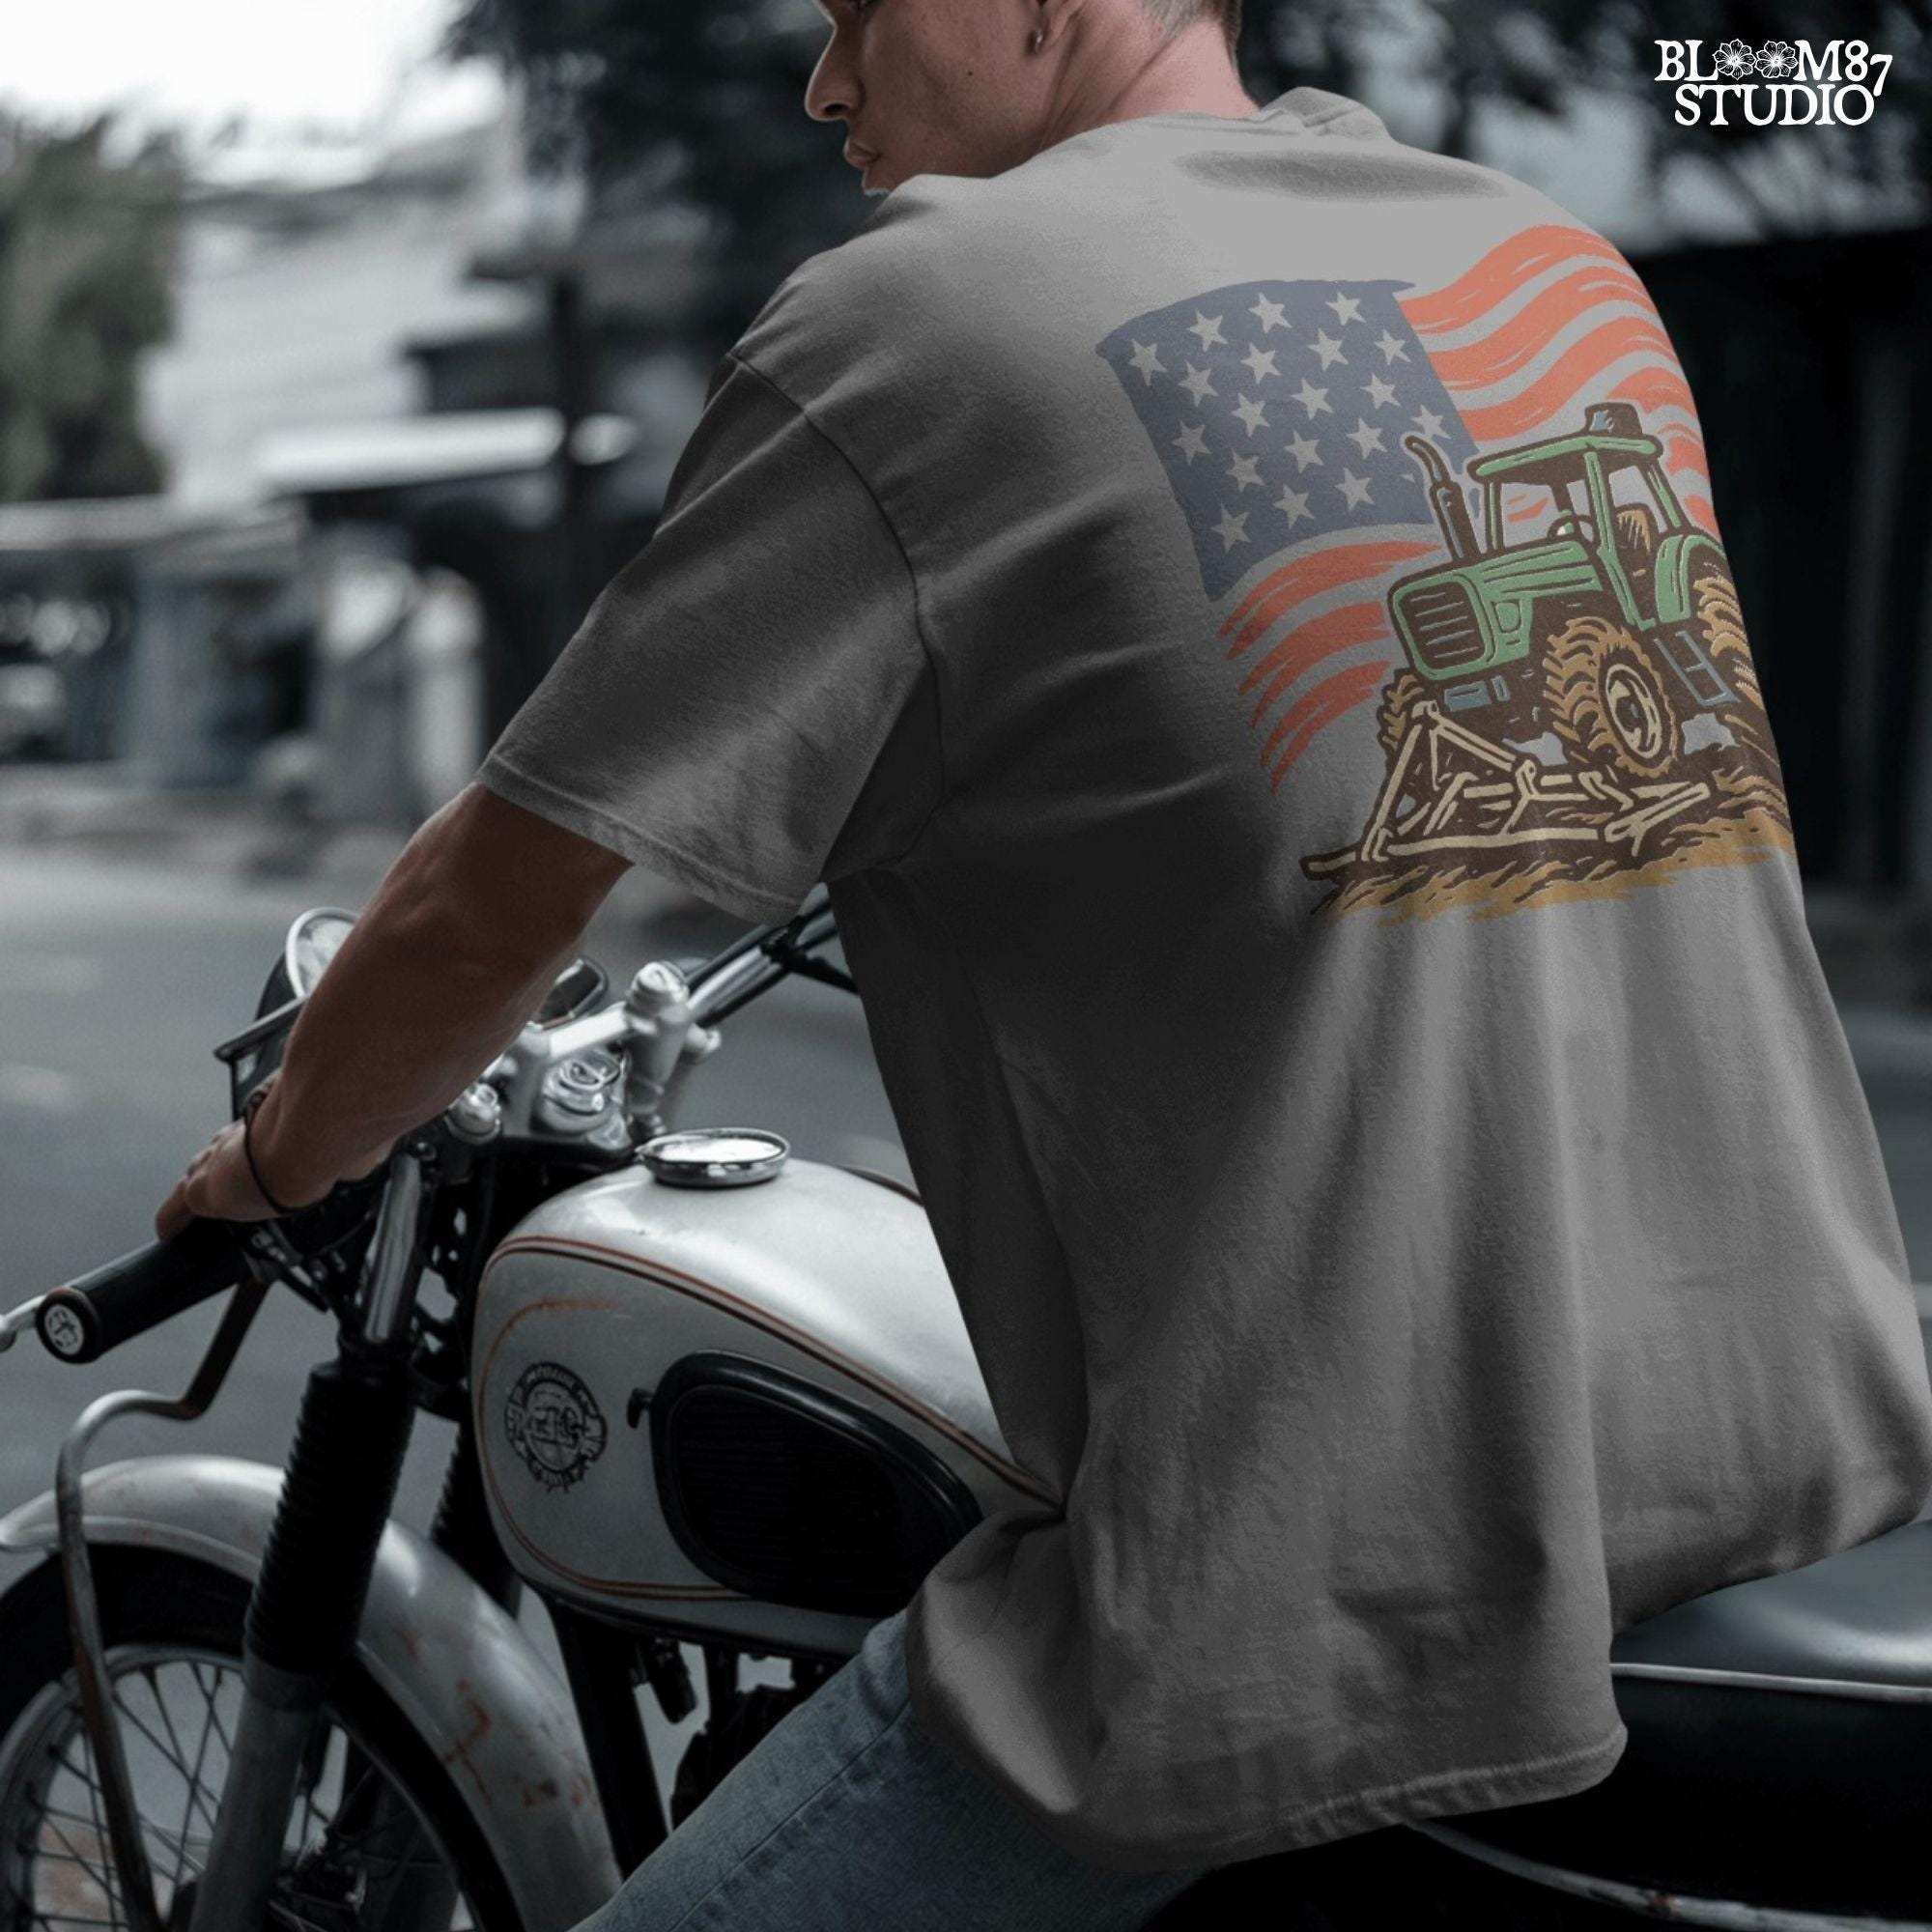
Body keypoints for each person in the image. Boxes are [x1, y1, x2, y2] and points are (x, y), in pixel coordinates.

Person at [156, 0, 1932, 1924]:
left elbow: (488, 905)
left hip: (1314, 1583)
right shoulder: (1550, 264)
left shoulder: (917, 326)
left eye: (854, 14)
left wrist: (273, 1161)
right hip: (1739, 1448)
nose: (828, 84)